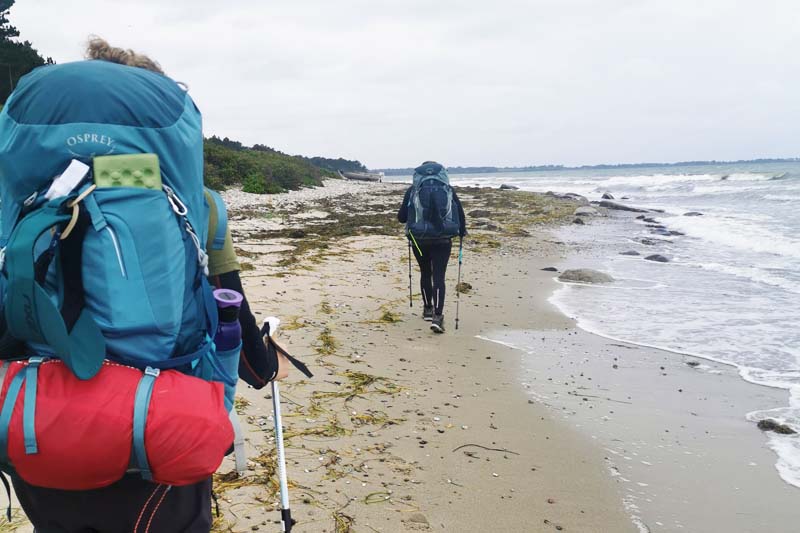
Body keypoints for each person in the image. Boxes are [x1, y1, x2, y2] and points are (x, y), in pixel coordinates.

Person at [5, 38, 288, 533]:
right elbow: (230, 308)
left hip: (37, 423)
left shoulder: (27, 198)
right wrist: (265, 367)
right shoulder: (200, 204)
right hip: (158, 424)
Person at [397, 161, 466, 333]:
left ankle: (427, 308)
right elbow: (460, 215)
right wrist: (462, 233)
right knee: (439, 276)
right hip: (443, 240)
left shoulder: (413, 190)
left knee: (425, 272)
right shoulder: (448, 189)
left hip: (419, 240)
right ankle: (438, 316)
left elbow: (401, 218)